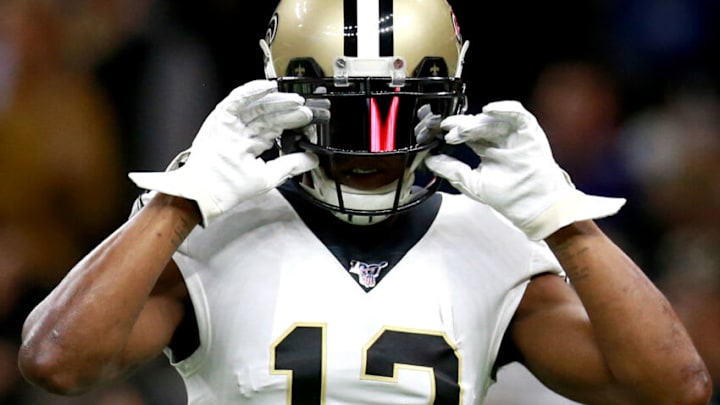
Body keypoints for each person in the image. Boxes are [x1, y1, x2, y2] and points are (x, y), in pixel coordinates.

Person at [18, 1, 712, 404]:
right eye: (347, 120)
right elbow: (56, 358)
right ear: (286, 104)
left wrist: (566, 222)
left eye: (398, 117)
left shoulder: (492, 240)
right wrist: (179, 201)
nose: (373, 149)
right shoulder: (213, 228)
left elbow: (674, 387)